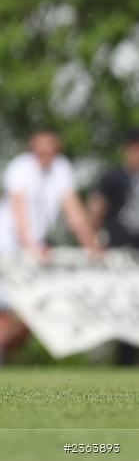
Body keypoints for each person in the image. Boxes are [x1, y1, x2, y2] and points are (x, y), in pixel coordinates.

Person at [0, 130, 101, 364]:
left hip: (33, 252)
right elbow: (19, 215)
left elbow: (75, 213)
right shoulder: (20, 168)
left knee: (35, 314)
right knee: (3, 313)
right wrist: (32, 248)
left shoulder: (62, 169)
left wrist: (93, 247)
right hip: (3, 249)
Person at [89, 128, 139, 365]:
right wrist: (94, 240)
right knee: (124, 310)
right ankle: (124, 362)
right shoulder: (113, 177)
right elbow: (97, 209)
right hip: (119, 254)